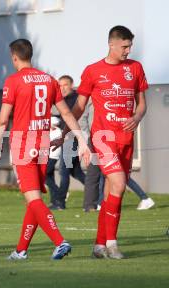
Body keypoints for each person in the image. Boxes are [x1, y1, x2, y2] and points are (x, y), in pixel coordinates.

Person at [0, 39, 90, 260]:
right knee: (33, 200)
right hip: (42, 143)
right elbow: (66, 113)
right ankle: (20, 250)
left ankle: (59, 241)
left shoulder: (13, 80)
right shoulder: (48, 80)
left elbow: (3, 118)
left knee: (33, 199)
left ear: (14, 57)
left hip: (23, 143)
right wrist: (82, 141)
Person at [55, 26, 148, 259]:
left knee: (112, 193)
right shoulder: (94, 71)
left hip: (126, 139)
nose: (128, 50)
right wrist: (66, 132)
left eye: (130, 46)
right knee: (117, 184)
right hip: (103, 138)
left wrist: (136, 117)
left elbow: (142, 104)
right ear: (112, 44)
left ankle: (99, 245)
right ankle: (112, 244)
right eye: (124, 46)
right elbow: (78, 107)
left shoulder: (135, 68)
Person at [52, 75, 86, 210]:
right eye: (59, 85)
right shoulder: (63, 100)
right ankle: (97, 193)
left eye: (65, 85)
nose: (62, 88)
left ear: (71, 85)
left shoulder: (77, 99)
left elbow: (73, 118)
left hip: (74, 139)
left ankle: (60, 202)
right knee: (76, 173)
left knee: (63, 171)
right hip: (66, 138)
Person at [46, 116, 62, 207]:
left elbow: (49, 143)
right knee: (50, 177)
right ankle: (54, 201)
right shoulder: (50, 131)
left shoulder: (57, 132)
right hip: (48, 156)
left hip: (53, 156)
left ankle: (58, 193)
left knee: (44, 176)